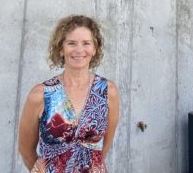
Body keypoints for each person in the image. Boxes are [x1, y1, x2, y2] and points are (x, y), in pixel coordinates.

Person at [18, 15, 119, 172]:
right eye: (71, 43)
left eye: (86, 43)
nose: (79, 50)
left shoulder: (107, 91)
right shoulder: (41, 94)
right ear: (61, 48)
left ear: (94, 49)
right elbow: (25, 148)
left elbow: (104, 146)